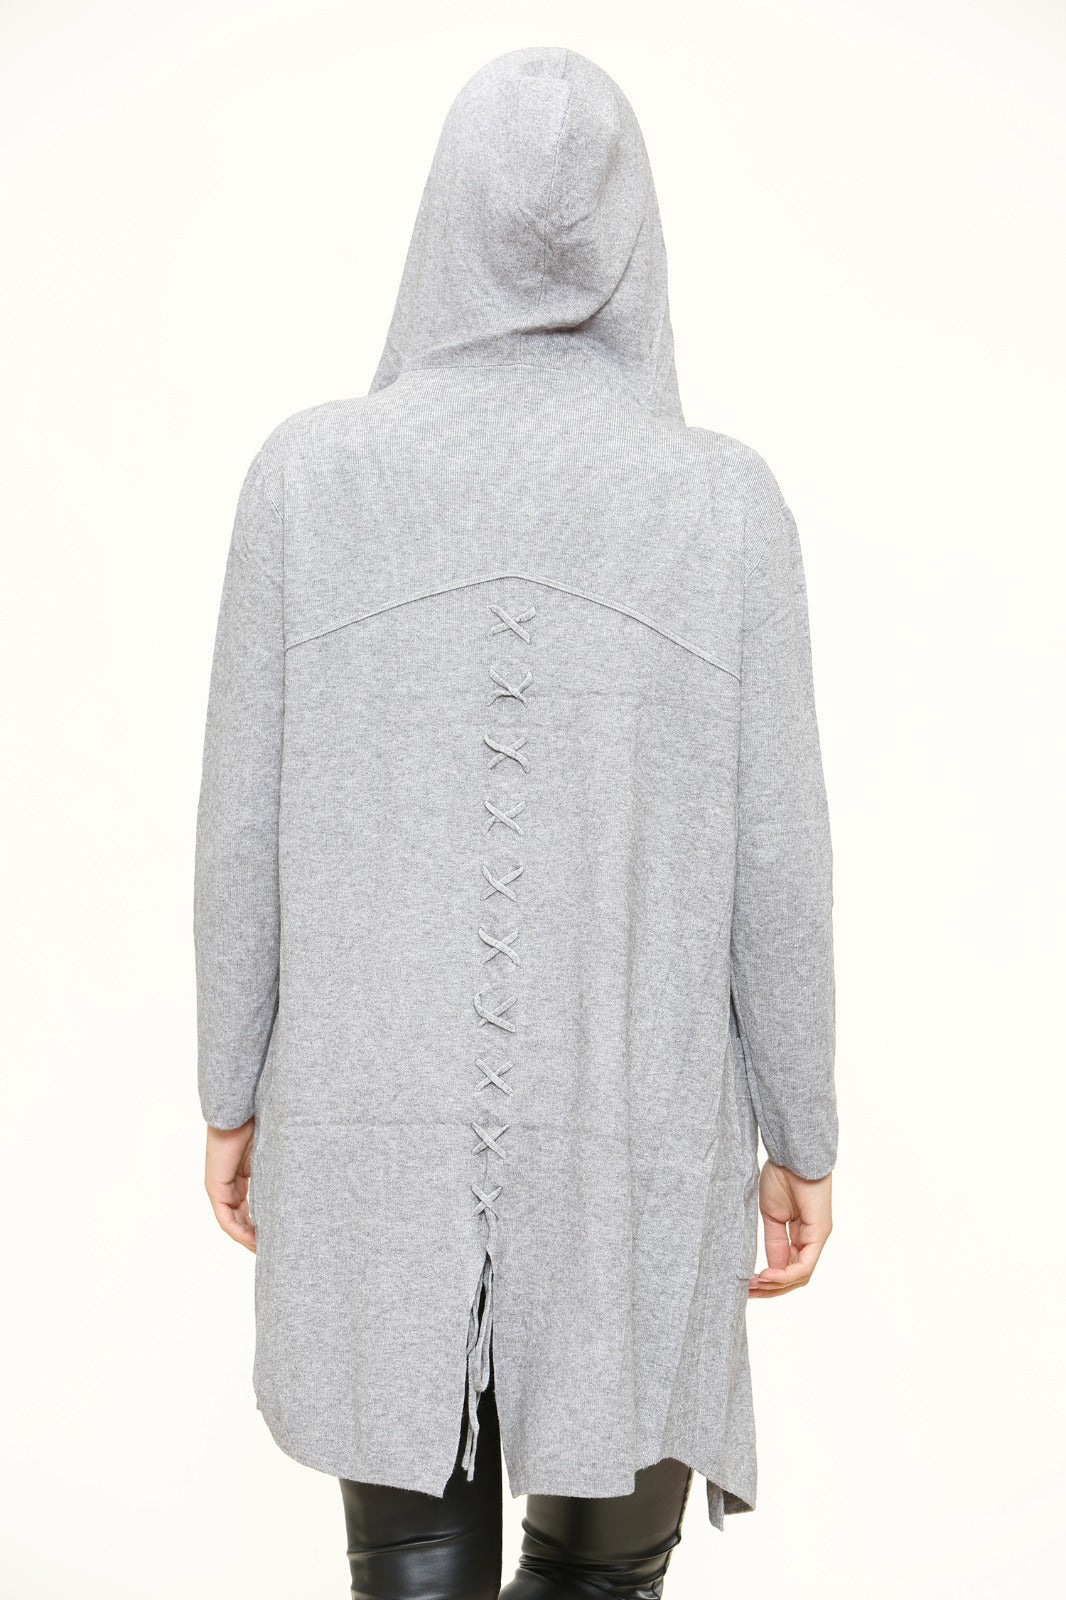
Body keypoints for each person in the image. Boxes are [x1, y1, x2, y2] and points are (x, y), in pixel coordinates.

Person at [195, 44, 837, 1598]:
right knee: (601, 1577)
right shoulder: (721, 505)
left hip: (367, 1128)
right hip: (635, 1135)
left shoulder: (308, 478)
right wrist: (802, 1131)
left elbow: (236, 829)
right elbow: (778, 865)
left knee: (409, 1565)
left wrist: (231, 1089)